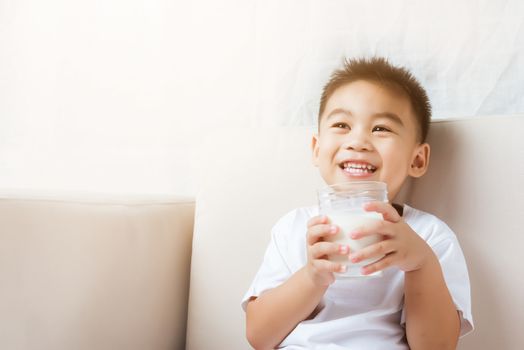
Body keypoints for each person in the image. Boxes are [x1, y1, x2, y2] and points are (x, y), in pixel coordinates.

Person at [241, 57, 473, 349]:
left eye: (381, 129)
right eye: (341, 124)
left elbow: (437, 346)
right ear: (316, 149)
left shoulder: (429, 236)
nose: (358, 141)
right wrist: (313, 276)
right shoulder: (294, 229)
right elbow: (259, 336)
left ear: (417, 159)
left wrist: (420, 265)